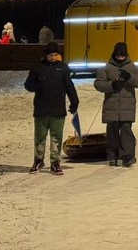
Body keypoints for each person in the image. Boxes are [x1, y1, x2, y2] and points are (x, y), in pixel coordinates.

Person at [24, 41, 79, 176]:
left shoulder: (63, 68)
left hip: (58, 109)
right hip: (41, 108)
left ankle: (55, 162)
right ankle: (38, 160)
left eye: (55, 55)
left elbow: (69, 86)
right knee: (40, 136)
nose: (53, 58)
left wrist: (74, 102)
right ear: (46, 56)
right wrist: (37, 84)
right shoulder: (37, 68)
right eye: (50, 55)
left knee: (56, 137)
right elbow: (29, 85)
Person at [93, 42, 138, 167]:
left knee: (126, 130)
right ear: (114, 55)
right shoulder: (106, 68)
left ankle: (128, 156)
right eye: (118, 56)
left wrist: (129, 78)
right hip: (111, 106)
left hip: (127, 106)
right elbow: (98, 84)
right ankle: (113, 156)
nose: (120, 58)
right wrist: (111, 85)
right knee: (112, 132)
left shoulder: (132, 67)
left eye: (122, 56)